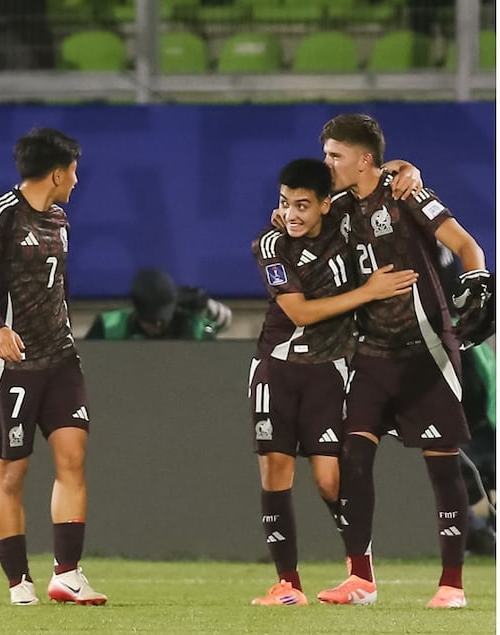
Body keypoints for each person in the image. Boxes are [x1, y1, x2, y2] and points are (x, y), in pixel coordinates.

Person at [314, 113, 492, 609]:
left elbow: (466, 245)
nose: (327, 163)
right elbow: (298, 212)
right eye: (326, 154)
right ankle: (361, 579)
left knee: (441, 466)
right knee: (353, 456)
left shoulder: (406, 194)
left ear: (363, 159)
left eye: (335, 155)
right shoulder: (339, 205)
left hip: (426, 351)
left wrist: (477, 281)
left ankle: (452, 584)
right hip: (370, 352)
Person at [247, 158, 419, 606]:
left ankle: (360, 574)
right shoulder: (271, 244)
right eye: (285, 204)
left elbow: (375, 177)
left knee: (329, 479)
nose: (292, 215)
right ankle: (288, 584)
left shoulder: (345, 217)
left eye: (303, 205)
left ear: (326, 203)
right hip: (276, 367)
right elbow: (299, 313)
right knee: (275, 471)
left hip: (330, 369)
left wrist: (404, 168)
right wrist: (369, 292)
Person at [0, 127, 107, 607]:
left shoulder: (61, 219)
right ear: (56, 172)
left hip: (61, 359)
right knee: (11, 475)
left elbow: (56, 286)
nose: (76, 179)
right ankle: (18, 582)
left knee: (73, 459)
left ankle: (67, 573)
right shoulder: (0, 214)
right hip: (14, 365)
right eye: (73, 170)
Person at [85, 268, 232, 340]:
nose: (158, 327)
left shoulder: (193, 327)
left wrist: (204, 305)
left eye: (162, 320)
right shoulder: (108, 328)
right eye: (151, 322)